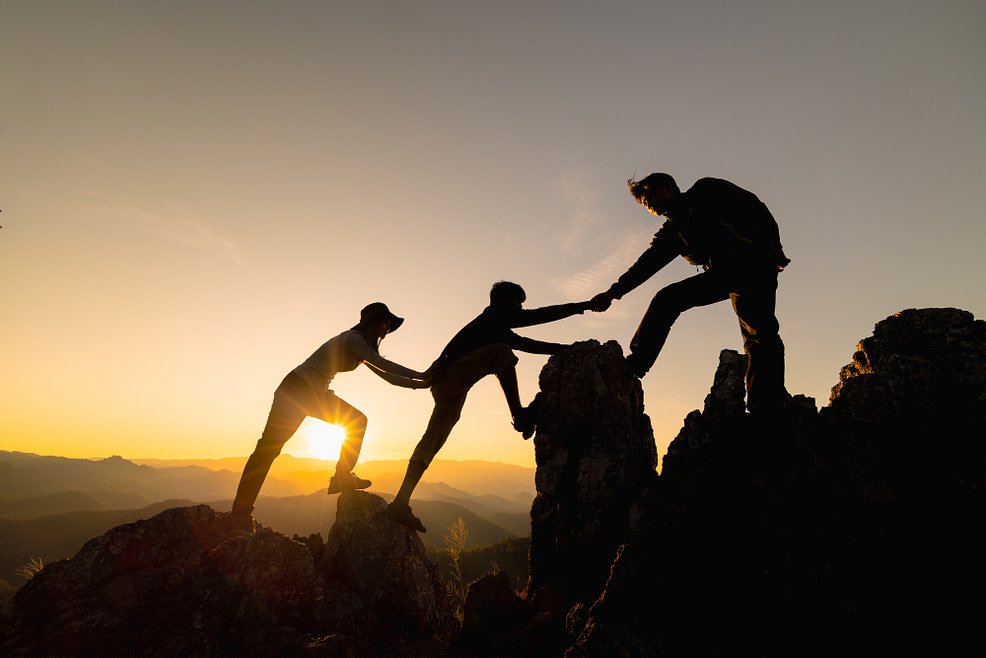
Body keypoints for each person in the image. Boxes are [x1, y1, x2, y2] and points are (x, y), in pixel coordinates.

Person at [387, 281, 593, 532]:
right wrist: (584, 306)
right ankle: (520, 416)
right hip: (450, 379)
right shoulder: (494, 316)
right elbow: (538, 318)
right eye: (518, 303)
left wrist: (567, 350)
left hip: (448, 387)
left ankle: (400, 502)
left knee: (431, 441)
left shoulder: (494, 325)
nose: (520, 308)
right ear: (506, 301)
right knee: (501, 353)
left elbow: (528, 344)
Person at [591, 173, 791, 413]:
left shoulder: (706, 191)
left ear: (668, 187)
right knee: (668, 300)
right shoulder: (673, 233)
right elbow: (645, 266)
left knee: (760, 332)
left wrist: (775, 247)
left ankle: (767, 402)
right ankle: (635, 366)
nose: (647, 202)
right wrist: (613, 293)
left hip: (755, 263)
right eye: (643, 201)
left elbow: (757, 207)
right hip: (728, 275)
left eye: (649, 194)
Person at [231, 302, 430, 519]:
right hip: (297, 389)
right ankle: (240, 513)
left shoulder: (361, 348)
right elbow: (385, 365)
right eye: (385, 322)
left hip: (312, 392)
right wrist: (422, 375)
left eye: (390, 325)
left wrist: (423, 383)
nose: (387, 328)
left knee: (356, 421)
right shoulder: (353, 339)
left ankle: (342, 476)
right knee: (268, 449)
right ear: (372, 322)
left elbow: (388, 377)